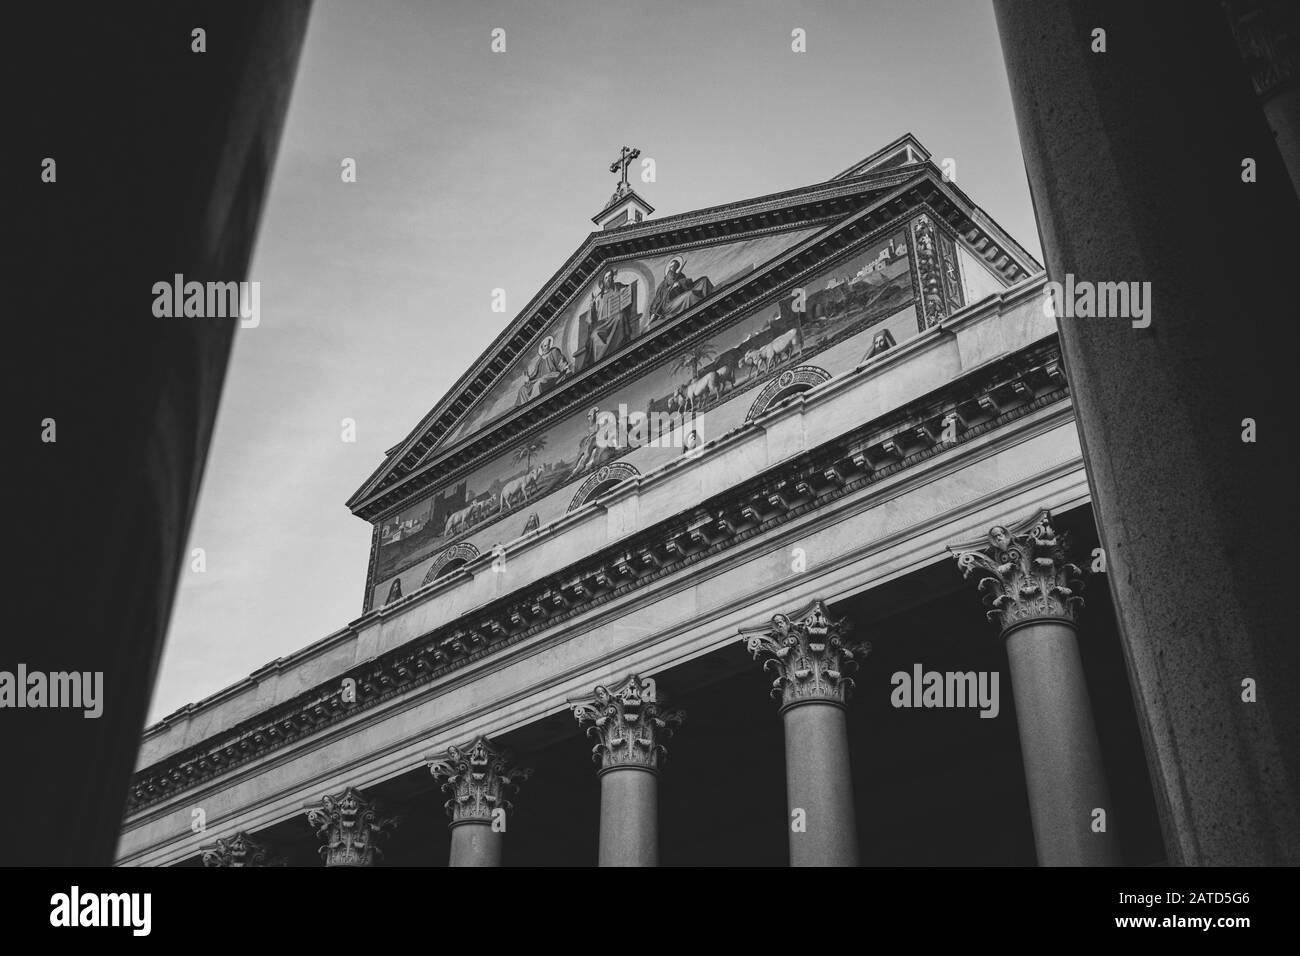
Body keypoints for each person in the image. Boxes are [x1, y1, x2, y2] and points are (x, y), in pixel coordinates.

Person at [515, 335, 571, 406]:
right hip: (541, 378)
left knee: (539, 383)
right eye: (544, 346)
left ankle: (531, 405)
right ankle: (523, 407)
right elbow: (535, 374)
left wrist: (565, 367)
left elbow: (561, 362)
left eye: (548, 345)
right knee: (522, 389)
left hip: (553, 375)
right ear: (541, 347)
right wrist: (528, 378)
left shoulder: (554, 352)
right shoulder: (540, 360)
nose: (546, 347)